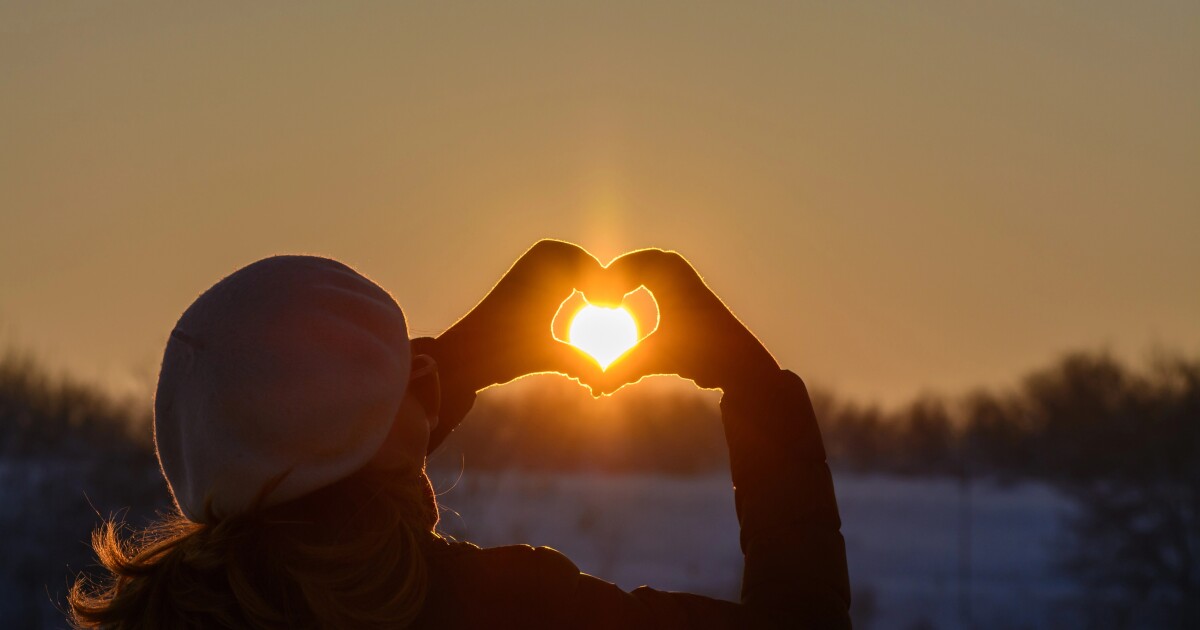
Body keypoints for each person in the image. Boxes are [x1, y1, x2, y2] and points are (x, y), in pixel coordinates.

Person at [68, 240, 852, 629]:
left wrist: (458, 363)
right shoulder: (494, 609)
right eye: (404, 375)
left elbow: (320, 476)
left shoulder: (164, 613)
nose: (434, 374)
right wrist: (756, 392)